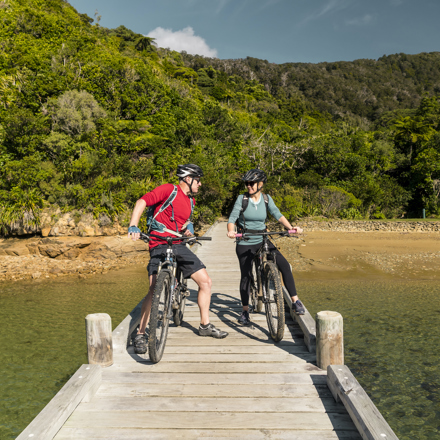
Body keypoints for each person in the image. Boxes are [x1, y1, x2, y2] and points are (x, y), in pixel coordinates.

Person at [128, 164, 228, 354]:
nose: (200, 184)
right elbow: (142, 201)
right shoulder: (169, 190)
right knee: (153, 287)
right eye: (198, 180)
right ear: (188, 179)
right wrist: (133, 225)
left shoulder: (191, 201)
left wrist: (188, 229)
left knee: (206, 282)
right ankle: (141, 333)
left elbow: (185, 221)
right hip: (159, 242)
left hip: (179, 243)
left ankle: (205, 325)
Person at [227, 169, 306, 326]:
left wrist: (291, 228)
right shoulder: (241, 199)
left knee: (284, 265)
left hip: (262, 238)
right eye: (246, 183)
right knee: (246, 276)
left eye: (251, 183)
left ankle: (295, 301)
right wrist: (231, 230)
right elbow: (232, 217)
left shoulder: (266, 199)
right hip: (245, 240)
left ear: (260, 184)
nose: (248, 186)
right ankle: (245, 311)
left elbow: (277, 214)